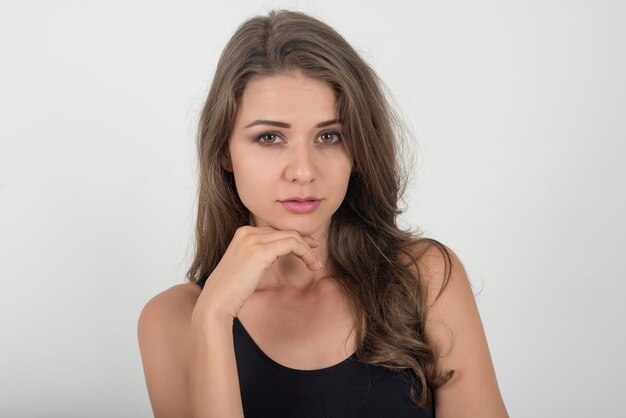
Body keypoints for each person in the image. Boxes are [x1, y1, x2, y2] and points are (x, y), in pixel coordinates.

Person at [137, 9, 509, 418]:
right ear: (225, 151)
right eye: (270, 137)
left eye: (329, 136)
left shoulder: (424, 279)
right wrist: (213, 317)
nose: (303, 171)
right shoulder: (173, 319)